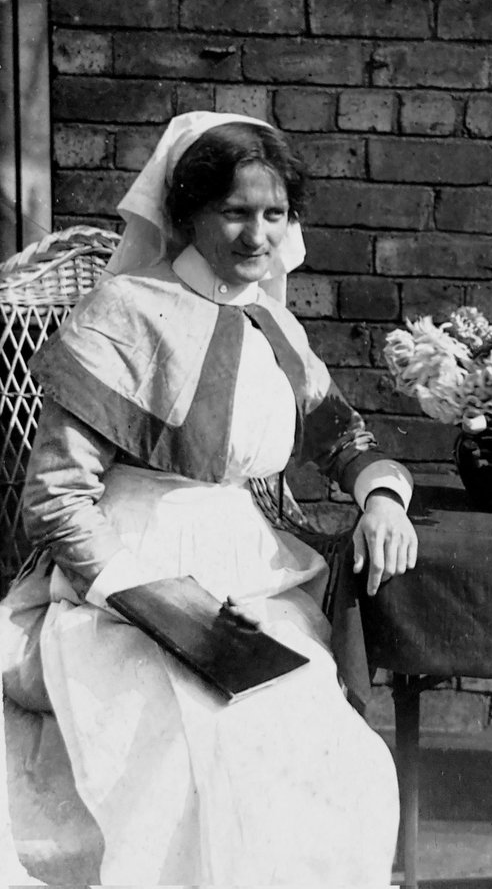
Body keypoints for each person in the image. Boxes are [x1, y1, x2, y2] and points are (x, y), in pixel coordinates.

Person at [1, 111, 418, 887]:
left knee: (336, 761)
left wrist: (381, 497)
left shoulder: (276, 328)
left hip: (252, 574)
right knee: (200, 760)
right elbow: (56, 499)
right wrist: (156, 602)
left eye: (274, 214)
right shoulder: (123, 313)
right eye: (234, 212)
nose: (257, 236)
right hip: (123, 586)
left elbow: (343, 438)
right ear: (188, 211)